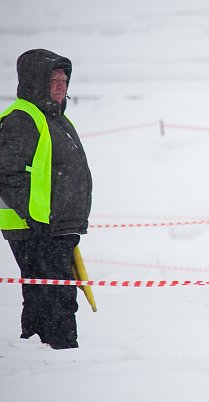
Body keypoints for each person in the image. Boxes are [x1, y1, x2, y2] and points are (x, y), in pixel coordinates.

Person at [0, 49, 93, 350]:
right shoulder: (23, 119)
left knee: (50, 294)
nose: (60, 86)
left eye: (64, 80)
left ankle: (41, 348)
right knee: (54, 296)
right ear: (35, 82)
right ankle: (58, 351)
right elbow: (9, 174)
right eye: (53, 80)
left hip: (55, 227)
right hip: (36, 229)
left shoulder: (54, 118)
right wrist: (35, 218)